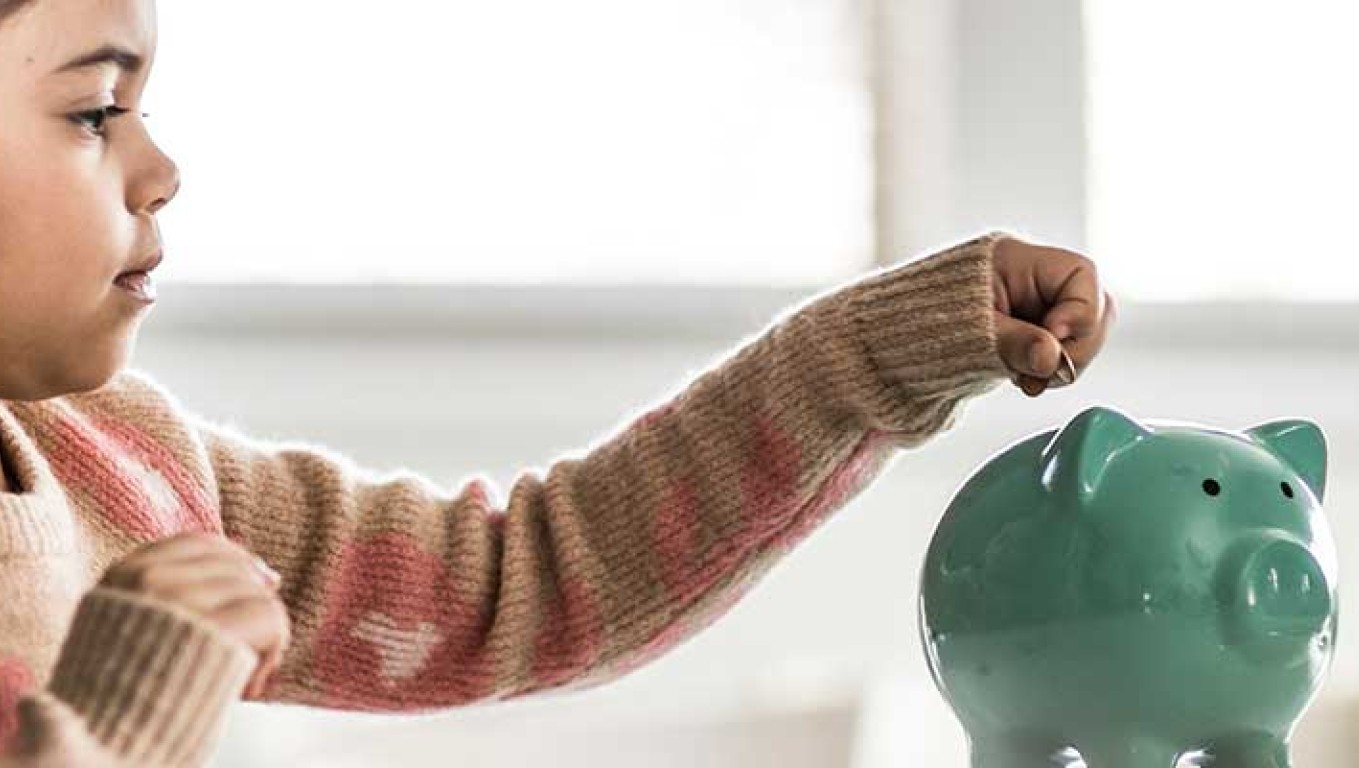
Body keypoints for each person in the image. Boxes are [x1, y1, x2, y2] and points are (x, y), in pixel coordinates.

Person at [0, 0, 1116, 765]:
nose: (161, 168)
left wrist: (868, 354)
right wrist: (121, 726)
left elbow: (525, 578)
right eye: (96, 111)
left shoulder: (124, 461)